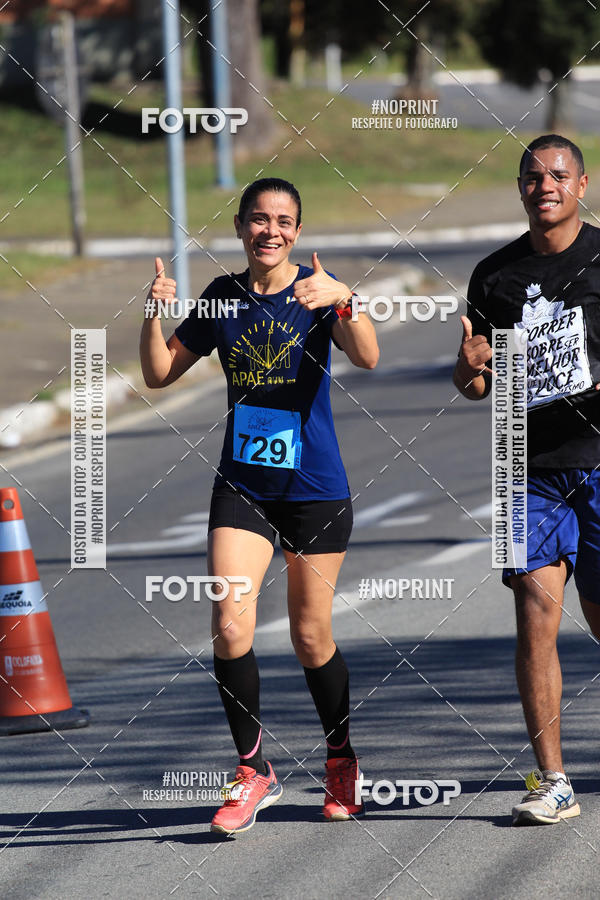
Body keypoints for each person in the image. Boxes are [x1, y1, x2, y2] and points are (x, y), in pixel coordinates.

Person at [140, 177, 379, 834]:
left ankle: (340, 760)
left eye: (283, 221)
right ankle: (253, 771)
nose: (270, 231)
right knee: (230, 623)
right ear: (241, 226)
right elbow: (160, 373)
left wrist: (347, 299)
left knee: (310, 637)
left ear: (296, 232)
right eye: (258, 219)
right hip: (243, 487)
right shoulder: (222, 297)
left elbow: (369, 356)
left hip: (315, 490)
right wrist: (152, 312)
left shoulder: (317, 292)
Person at [453, 134, 600, 826]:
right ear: (520, 189)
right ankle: (553, 781)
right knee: (534, 619)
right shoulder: (493, 277)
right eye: (533, 177)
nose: (545, 185)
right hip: (525, 465)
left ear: (582, 184)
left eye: (558, 175)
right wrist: (471, 368)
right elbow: (474, 384)